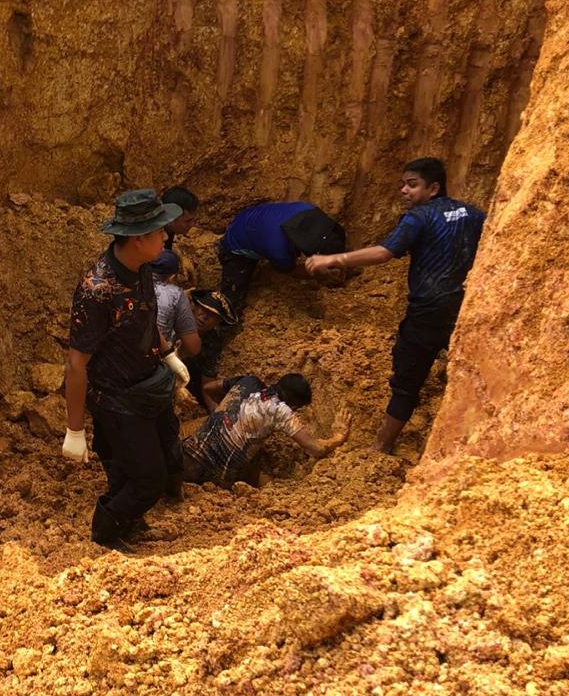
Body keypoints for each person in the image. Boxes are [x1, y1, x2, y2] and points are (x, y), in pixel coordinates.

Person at [305, 158, 486, 454]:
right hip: (465, 311)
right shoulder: (473, 214)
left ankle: (381, 446)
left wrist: (335, 258)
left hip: (427, 313)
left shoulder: (419, 217)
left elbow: (384, 253)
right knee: (472, 375)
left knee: (406, 384)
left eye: (412, 184)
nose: (403, 190)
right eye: (403, 184)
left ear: (433, 188)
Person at [62, 190, 191, 549]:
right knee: (147, 479)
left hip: (147, 384)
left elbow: (147, 317)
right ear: (138, 238)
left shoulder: (142, 268)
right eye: (159, 230)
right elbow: (76, 363)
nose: (165, 236)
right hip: (116, 397)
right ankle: (105, 533)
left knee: (160, 459)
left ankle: (131, 523)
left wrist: (168, 355)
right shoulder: (98, 290)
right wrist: (75, 429)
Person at [181, 373, 351, 487]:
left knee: (255, 455)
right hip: (215, 478)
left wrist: (223, 411)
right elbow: (315, 448)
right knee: (261, 477)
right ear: (294, 405)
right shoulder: (280, 411)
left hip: (186, 455)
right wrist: (339, 435)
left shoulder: (249, 382)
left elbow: (208, 388)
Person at [218, 199, 346, 310]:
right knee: (232, 300)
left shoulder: (307, 209)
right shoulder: (279, 249)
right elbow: (291, 271)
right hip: (236, 245)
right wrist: (320, 274)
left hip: (253, 217)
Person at [183, 289, 239, 410]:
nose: (204, 317)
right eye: (203, 309)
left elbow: (207, 382)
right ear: (194, 307)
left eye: (213, 315)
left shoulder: (211, 342)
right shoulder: (175, 322)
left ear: (218, 322)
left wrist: (216, 412)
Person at [151, 249, 202, 358]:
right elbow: (193, 347)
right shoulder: (176, 294)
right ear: (172, 277)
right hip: (153, 360)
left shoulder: (124, 283)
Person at [162, 185, 200, 283]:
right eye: (188, 221)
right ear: (171, 219)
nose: (192, 225)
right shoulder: (151, 237)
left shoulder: (167, 227)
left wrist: (182, 258)